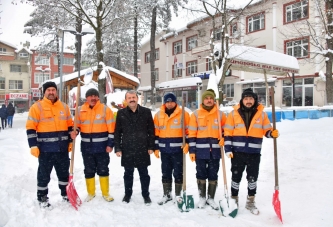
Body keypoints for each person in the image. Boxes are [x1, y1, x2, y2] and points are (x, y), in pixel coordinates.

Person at [224, 88, 279, 215]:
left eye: (251, 98)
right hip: (237, 152)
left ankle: (250, 202)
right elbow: (227, 133)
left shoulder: (262, 114)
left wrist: (272, 133)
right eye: (246, 98)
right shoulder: (233, 114)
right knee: (236, 177)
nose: (248, 101)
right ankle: (234, 200)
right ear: (242, 100)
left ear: (254, 100)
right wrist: (228, 149)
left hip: (254, 153)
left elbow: (266, 131)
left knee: (252, 178)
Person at [26, 81, 73, 209]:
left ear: (56, 92)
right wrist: (33, 145)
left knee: (63, 173)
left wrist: (71, 140)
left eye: (53, 90)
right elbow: (30, 128)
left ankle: (65, 194)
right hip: (45, 150)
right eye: (49, 90)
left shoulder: (64, 107)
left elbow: (70, 126)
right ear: (44, 92)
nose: (51, 92)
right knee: (43, 174)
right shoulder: (37, 107)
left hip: (62, 149)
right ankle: (42, 197)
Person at [71, 88, 115, 202]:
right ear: (87, 98)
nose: (93, 98)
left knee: (103, 169)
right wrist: (75, 131)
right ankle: (91, 193)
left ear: (98, 98)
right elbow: (77, 126)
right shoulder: (80, 110)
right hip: (87, 148)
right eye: (91, 96)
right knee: (89, 170)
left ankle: (105, 193)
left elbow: (112, 130)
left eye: (95, 96)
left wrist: (110, 144)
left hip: (102, 147)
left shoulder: (105, 110)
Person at [114, 90, 155, 205]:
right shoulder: (121, 113)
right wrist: (117, 148)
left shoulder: (146, 112)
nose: (132, 99)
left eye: (133, 97)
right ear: (126, 100)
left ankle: (146, 195)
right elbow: (117, 132)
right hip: (127, 148)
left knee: (144, 174)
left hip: (143, 148)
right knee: (128, 174)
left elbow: (151, 131)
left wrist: (151, 146)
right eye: (129, 98)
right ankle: (127, 194)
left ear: (137, 98)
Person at [188, 89, 226, 210]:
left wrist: (224, 138)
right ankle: (202, 198)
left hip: (215, 151)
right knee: (201, 174)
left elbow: (227, 130)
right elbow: (192, 134)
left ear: (214, 100)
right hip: (200, 152)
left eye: (211, 98)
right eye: (206, 98)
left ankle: (211, 198)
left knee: (213, 174)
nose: (209, 100)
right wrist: (192, 151)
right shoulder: (195, 114)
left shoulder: (220, 115)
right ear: (203, 100)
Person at [153, 93, 190, 205]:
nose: (169, 104)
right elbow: (156, 133)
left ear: (175, 102)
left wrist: (187, 143)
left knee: (178, 173)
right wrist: (156, 147)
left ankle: (178, 195)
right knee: (165, 173)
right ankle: (167, 194)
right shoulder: (158, 115)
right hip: (164, 151)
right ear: (164, 103)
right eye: (167, 101)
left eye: (171, 101)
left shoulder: (184, 114)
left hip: (178, 150)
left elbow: (189, 131)